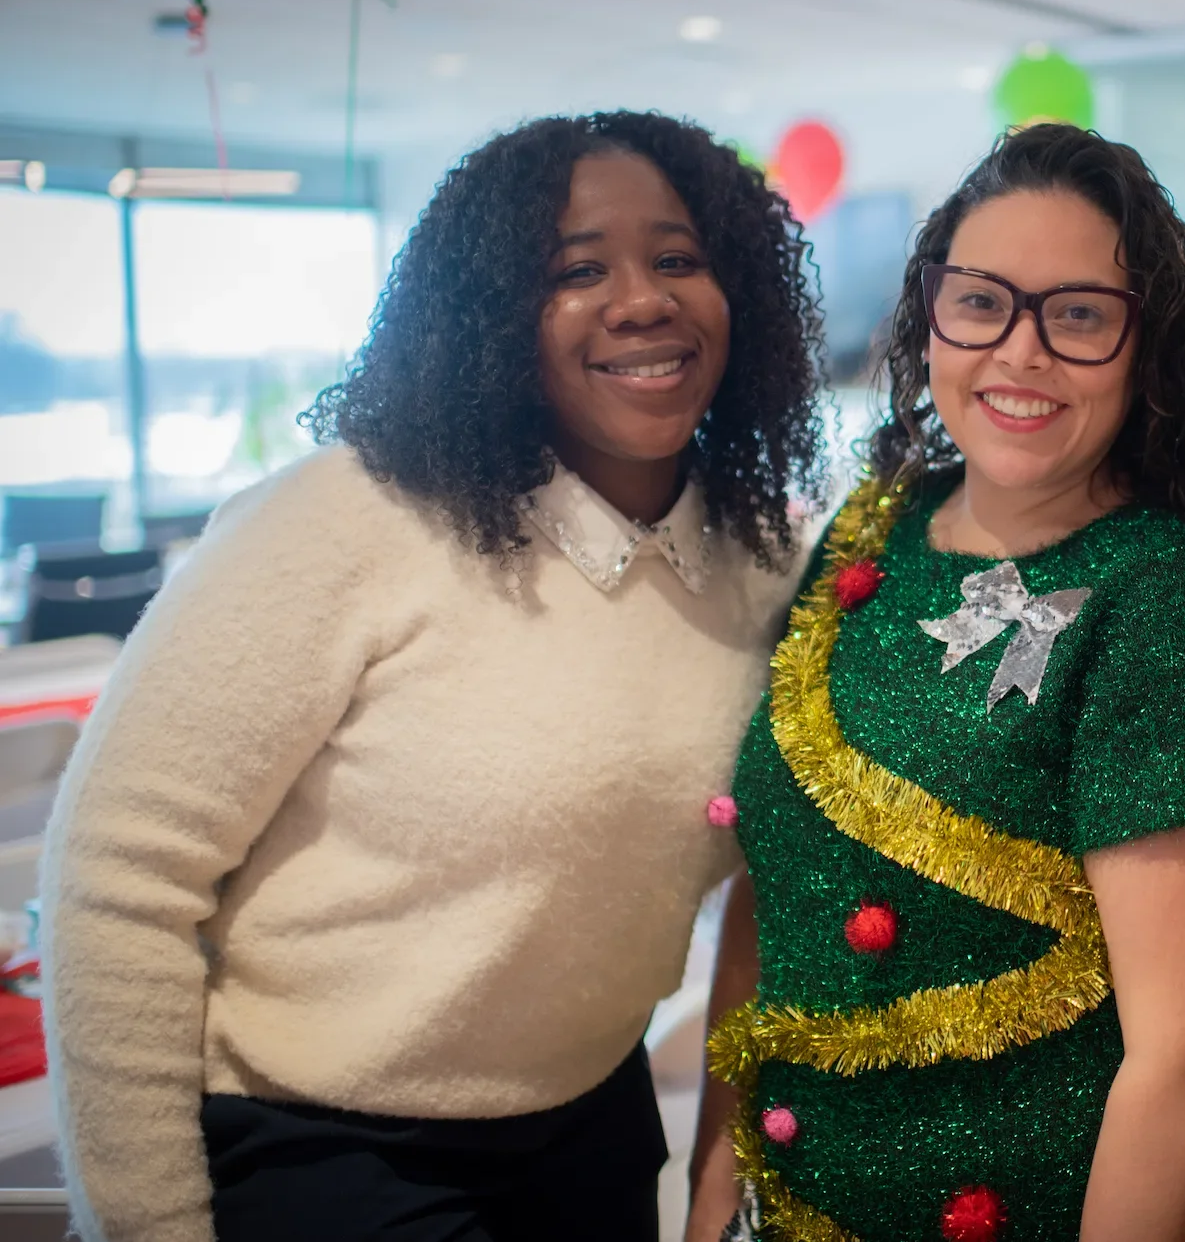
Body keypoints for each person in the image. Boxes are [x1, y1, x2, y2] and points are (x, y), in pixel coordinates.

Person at [39, 110, 824, 1242]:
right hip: (317, 1147)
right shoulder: (346, 521)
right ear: (492, 317)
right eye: (576, 270)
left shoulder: (760, 564)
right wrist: (146, 1227)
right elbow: (119, 883)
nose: (641, 300)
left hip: (589, 1140)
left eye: (676, 259)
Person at [685, 124, 1185, 1242]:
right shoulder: (874, 526)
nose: (1019, 354)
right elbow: (776, 884)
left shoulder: (1167, 595)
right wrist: (713, 1177)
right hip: (795, 1201)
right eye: (980, 302)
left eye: (1076, 316)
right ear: (929, 317)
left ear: (1142, 349)